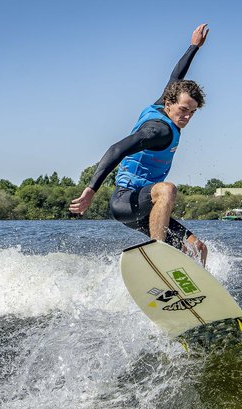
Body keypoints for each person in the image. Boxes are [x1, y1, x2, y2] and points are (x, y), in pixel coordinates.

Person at [69, 23, 210, 265]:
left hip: (149, 209)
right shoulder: (158, 130)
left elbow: (176, 76)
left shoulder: (162, 102)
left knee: (198, 249)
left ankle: (192, 291)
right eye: (183, 110)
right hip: (126, 202)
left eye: (192, 113)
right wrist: (91, 190)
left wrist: (193, 47)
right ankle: (158, 256)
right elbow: (117, 149)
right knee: (167, 189)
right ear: (169, 104)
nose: (187, 116)